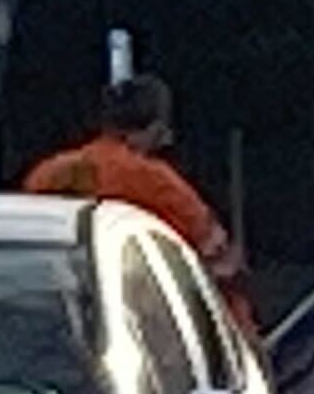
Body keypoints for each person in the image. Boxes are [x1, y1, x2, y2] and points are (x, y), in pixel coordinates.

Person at [23, 76, 254, 326]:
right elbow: (221, 265)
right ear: (157, 127)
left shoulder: (49, 174)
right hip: (149, 322)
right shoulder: (157, 182)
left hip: (64, 319)